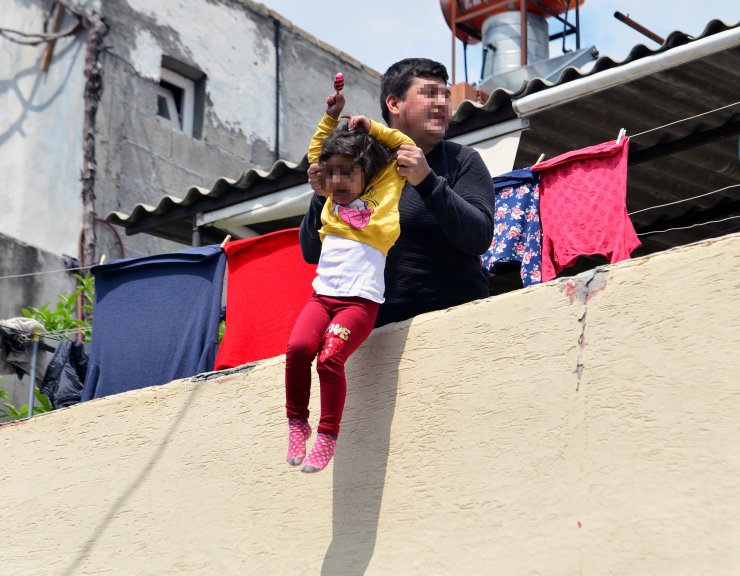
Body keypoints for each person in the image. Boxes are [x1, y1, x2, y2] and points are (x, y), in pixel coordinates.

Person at [301, 58, 495, 327]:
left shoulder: (463, 160)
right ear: (394, 104)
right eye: (429, 94)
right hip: (372, 338)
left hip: (456, 326)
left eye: (445, 95)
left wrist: (427, 180)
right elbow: (312, 251)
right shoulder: (360, 163)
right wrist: (324, 194)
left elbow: (480, 237)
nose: (442, 103)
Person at [285, 82, 414, 473]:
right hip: (322, 298)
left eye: (348, 173)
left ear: (367, 172)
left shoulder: (387, 189)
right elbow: (316, 153)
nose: (338, 181)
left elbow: (406, 144)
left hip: (360, 302)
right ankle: (297, 423)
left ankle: (327, 435)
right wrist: (331, 115)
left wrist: (370, 127)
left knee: (329, 359)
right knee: (296, 350)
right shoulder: (327, 198)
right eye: (331, 173)